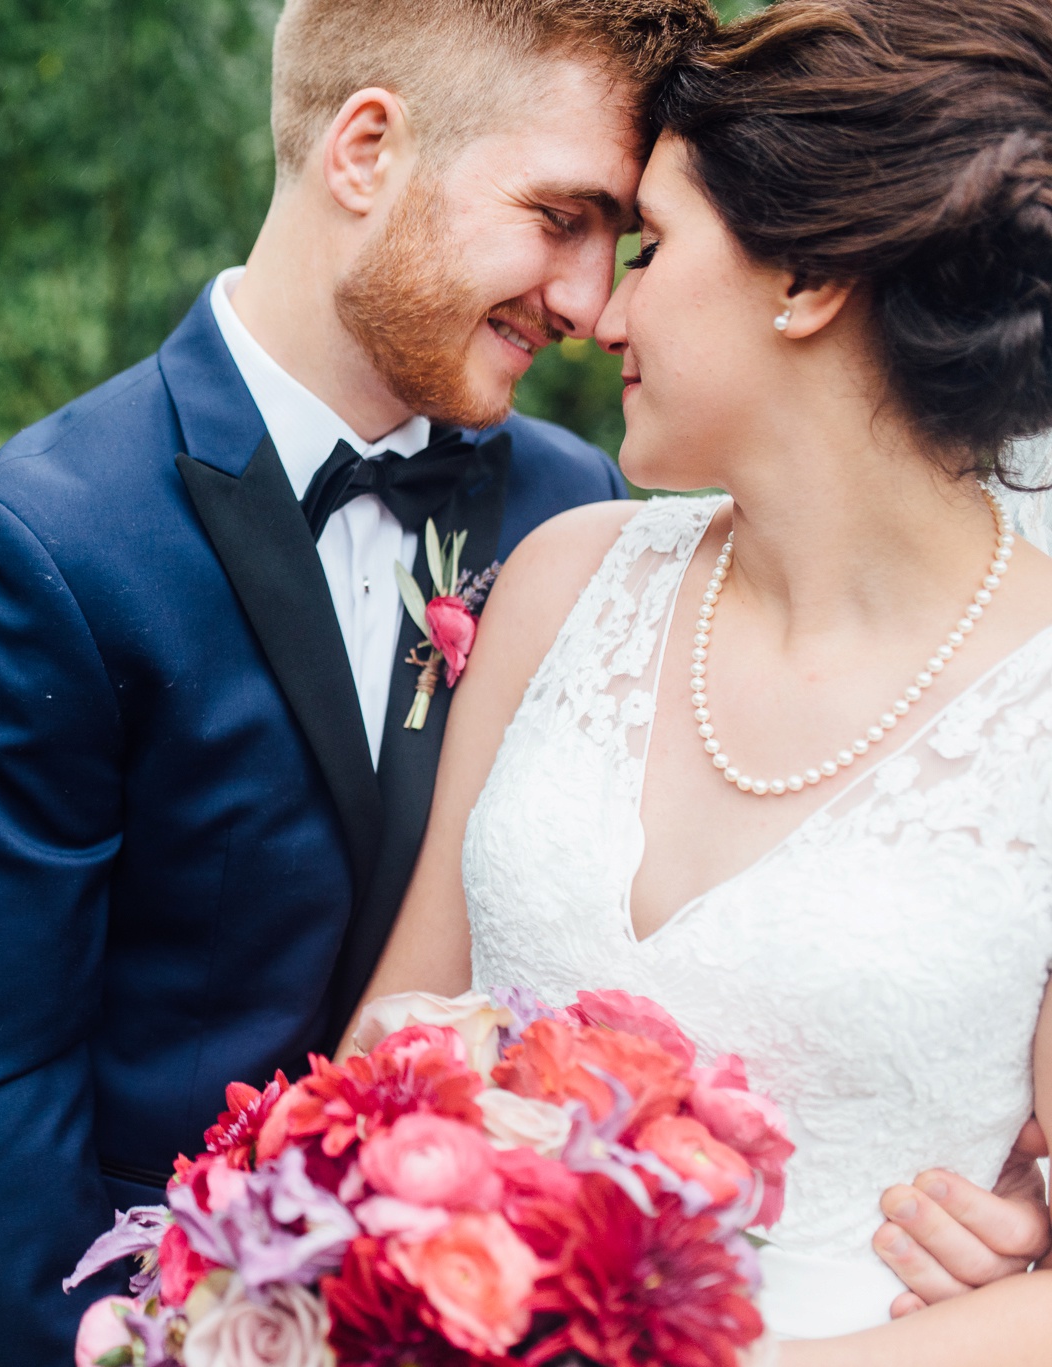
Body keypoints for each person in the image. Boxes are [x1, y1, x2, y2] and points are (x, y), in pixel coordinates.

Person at [354, 0, 1052, 1355]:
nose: (600, 311)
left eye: (655, 248)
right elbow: (388, 1043)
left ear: (807, 281)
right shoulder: (564, 581)